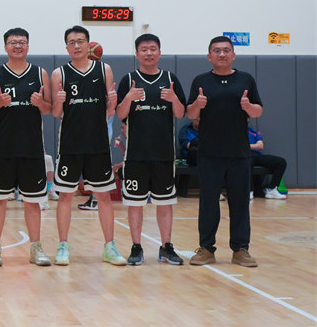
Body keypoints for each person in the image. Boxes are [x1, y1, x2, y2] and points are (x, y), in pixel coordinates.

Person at [50, 25, 126, 266]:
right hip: (70, 145)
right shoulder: (59, 74)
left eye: (80, 41)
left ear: (88, 44)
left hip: (97, 145)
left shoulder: (104, 70)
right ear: (66, 47)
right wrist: (59, 102)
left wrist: (112, 102)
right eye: (71, 42)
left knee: (103, 196)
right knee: (65, 196)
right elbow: (55, 113)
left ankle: (110, 247)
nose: (76, 45)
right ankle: (63, 246)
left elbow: (110, 112)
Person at [187, 36, 263, 267]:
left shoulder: (246, 79)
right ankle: (206, 249)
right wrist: (197, 105)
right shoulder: (200, 81)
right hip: (209, 153)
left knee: (240, 203)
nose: (222, 54)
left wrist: (249, 107)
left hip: (239, 153)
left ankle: (240, 250)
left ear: (233, 55)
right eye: (217, 50)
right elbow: (190, 114)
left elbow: (258, 111)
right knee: (208, 203)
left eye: (226, 50)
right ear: (209, 56)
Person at [115, 34, 187, 266]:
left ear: (159, 52)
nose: (148, 53)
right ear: (137, 54)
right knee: (135, 203)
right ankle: (136, 247)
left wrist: (174, 98)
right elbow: (119, 114)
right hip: (136, 154)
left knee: (164, 203)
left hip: (164, 153)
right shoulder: (129, 79)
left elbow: (180, 113)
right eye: (144, 49)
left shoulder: (170, 79)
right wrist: (128, 98)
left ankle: (166, 246)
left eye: (153, 49)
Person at [0, 28, 51, 266]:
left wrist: (40, 102)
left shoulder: (40, 73)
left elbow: (49, 109)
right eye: (13, 42)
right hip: (4, 148)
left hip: (32, 148)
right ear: (5, 47)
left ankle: (36, 248)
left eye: (22, 42)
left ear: (28, 46)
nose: (18, 46)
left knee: (32, 201)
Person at [248, 124, 287, 199]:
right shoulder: (237, 132)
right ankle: (249, 191)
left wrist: (246, 145)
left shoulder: (254, 132)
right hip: (246, 155)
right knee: (247, 162)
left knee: (281, 162)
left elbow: (260, 146)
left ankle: (271, 190)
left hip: (257, 155)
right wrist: (254, 145)